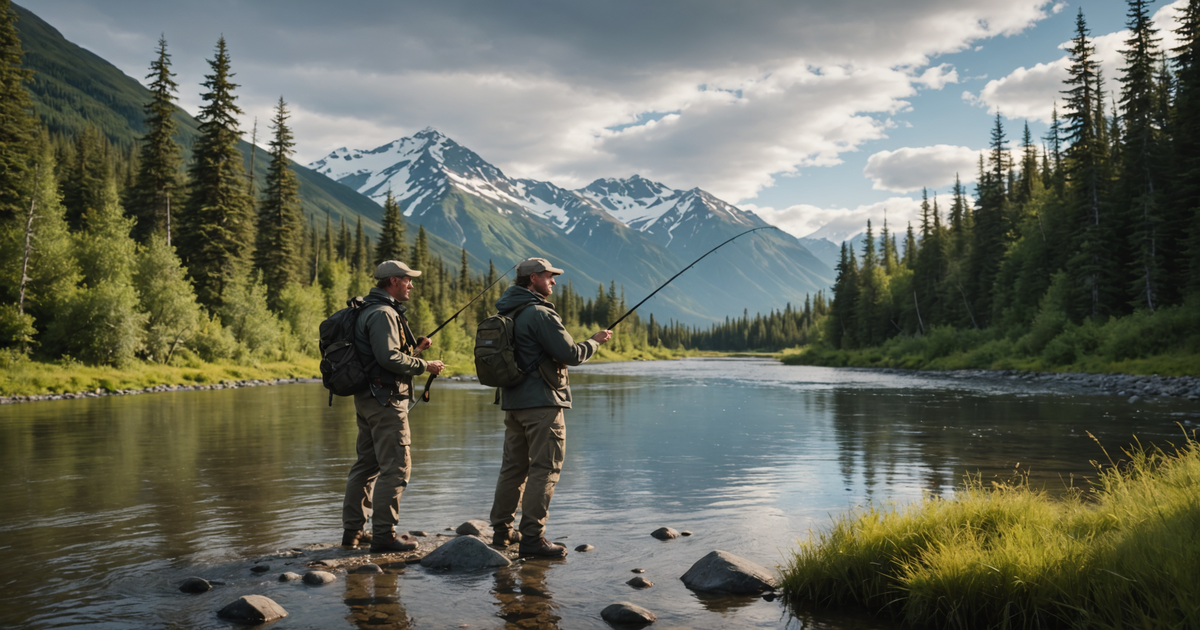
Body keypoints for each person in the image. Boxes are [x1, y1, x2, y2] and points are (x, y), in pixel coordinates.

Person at [488, 257, 612, 557]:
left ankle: (503, 533)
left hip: (514, 402)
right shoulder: (539, 313)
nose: (553, 281)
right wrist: (594, 342)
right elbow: (569, 354)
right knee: (545, 469)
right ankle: (533, 539)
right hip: (542, 402)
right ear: (532, 279)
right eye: (548, 276)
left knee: (513, 469)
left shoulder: (509, 310)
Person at [342, 260, 445, 552]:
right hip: (385, 400)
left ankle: (353, 533)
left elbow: (377, 357)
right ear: (392, 282)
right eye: (407, 280)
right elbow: (388, 358)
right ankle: (384, 536)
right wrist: (425, 365)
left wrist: (415, 351)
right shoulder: (384, 313)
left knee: (367, 465)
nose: (411, 285)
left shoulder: (368, 310)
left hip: (368, 398)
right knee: (397, 468)